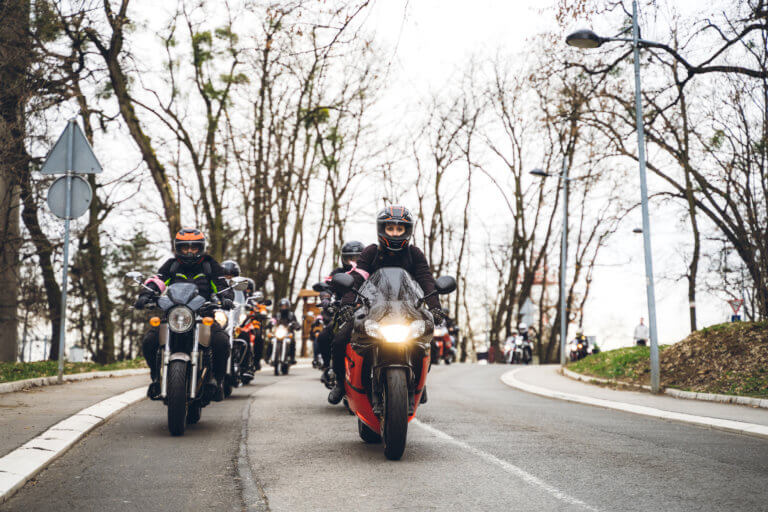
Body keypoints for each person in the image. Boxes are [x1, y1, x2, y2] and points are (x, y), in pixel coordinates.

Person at [328, 205, 444, 404]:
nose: (395, 233)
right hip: (374, 310)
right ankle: (340, 382)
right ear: (381, 229)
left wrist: (435, 307)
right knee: (339, 339)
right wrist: (347, 304)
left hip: (408, 311)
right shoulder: (371, 252)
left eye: (400, 229)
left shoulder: (414, 254)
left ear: (407, 231)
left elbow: (426, 280)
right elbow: (358, 277)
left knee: (426, 339)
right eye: (390, 228)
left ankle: (419, 383)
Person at [134, 228, 233, 401]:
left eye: (193, 247)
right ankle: (156, 378)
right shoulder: (171, 265)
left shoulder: (210, 265)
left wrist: (227, 297)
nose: (189, 251)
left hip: (203, 315)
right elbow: (157, 280)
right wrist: (145, 294)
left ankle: (217, 381)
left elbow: (221, 284)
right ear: (178, 248)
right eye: (185, 247)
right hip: (174, 314)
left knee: (221, 341)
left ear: (200, 247)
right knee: (150, 340)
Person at [270, 298, 300, 364]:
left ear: (288, 306)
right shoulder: (277, 315)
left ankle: (292, 358)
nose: (283, 307)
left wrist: (296, 325)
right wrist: (270, 324)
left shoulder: (291, 315)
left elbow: (295, 322)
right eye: (282, 306)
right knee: (271, 341)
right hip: (278, 332)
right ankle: (268, 356)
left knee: (292, 342)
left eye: (285, 306)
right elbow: (272, 320)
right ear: (280, 306)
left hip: (288, 332)